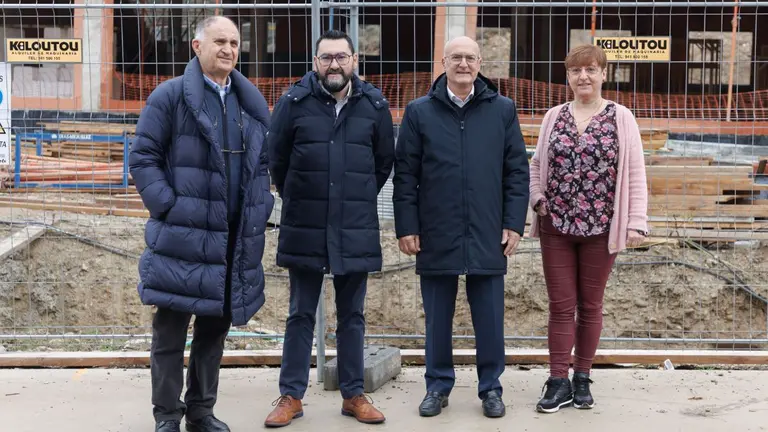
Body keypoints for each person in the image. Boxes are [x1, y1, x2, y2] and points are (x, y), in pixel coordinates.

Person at [129, 15, 273, 432]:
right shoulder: (170, 96)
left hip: (233, 240)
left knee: (214, 331)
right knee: (171, 333)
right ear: (197, 46)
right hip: (183, 236)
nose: (228, 49)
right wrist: (168, 206)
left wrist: (259, 207)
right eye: (219, 41)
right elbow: (143, 158)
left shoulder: (248, 103)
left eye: (234, 42)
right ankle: (167, 416)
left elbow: (263, 165)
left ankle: (201, 412)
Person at [392, 35, 530, 419]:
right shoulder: (419, 112)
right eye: (456, 58)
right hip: (436, 231)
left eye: (470, 57)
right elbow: (405, 175)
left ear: (480, 62)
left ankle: (491, 388)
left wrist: (513, 224)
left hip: (488, 230)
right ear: (443, 62)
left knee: (489, 316)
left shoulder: (502, 110)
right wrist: (407, 225)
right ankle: (437, 386)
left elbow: (517, 172)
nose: (464, 64)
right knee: (437, 318)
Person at [263, 29, 395, 427]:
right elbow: (277, 159)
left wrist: (352, 195)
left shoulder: (373, 104)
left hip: (354, 224)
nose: (334, 64)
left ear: (354, 60)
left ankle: (354, 394)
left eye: (341, 57)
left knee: (352, 314)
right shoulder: (293, 101)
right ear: (315, 62)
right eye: (326, 58)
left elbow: (382, 162)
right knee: (300, 312)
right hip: (305, 224)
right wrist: (304, 196)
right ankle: (291, 396)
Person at [528, 44, 648, 413]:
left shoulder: (621, 117)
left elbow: (636, 172)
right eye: (577, 70)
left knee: (591, 305)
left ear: (603, 74)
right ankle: (557, 380)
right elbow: (535, 165)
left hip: (601, 227)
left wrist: (636, 222)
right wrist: (537, 199)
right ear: (568, 77)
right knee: (561, 306)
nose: (584, 76)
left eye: (591, 70)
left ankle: (582, 378)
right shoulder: (554, 116)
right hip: (557, 226)